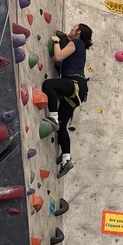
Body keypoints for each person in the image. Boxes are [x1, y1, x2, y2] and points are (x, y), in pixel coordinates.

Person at [42, 23, 92, 178]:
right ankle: (66, 159)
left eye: (73, 28)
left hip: (74, 83)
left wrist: (56, 41)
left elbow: (58, 56)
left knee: (49, 85)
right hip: (79, 92)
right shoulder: (80, 45)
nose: (70, 29)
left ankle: (53, 117)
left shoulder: (76, 43)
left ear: (78, 33)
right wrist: (63, 35)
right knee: (62, 127)